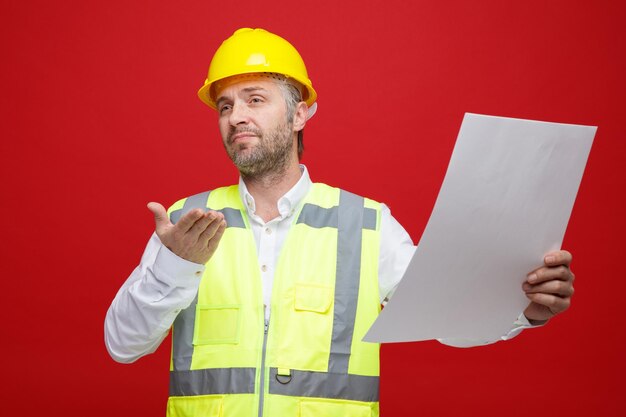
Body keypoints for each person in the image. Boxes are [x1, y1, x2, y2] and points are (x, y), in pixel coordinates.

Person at [105, 28, 575, 417]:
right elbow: (122, 345)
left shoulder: (367, 224)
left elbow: (449, 318)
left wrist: (525, 311)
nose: (237, 117)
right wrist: (175, 267)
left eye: (254, 99)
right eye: (225, 106)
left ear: (300, 113)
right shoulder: (187, 225)